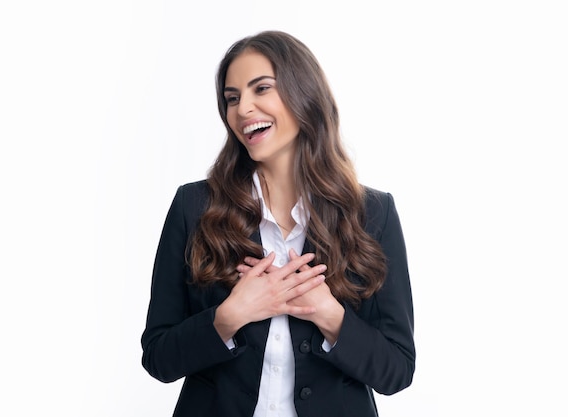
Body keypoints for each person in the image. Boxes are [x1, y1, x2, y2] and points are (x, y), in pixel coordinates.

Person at [141, 30, 415, 417]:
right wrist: (230, 316)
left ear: (304, 94)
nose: (242, 109)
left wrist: (328, 314)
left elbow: (397, 371)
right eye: (232, 98)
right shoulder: (194, 206)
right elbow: (158, 358)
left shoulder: (372, 213)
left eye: (261, 89)